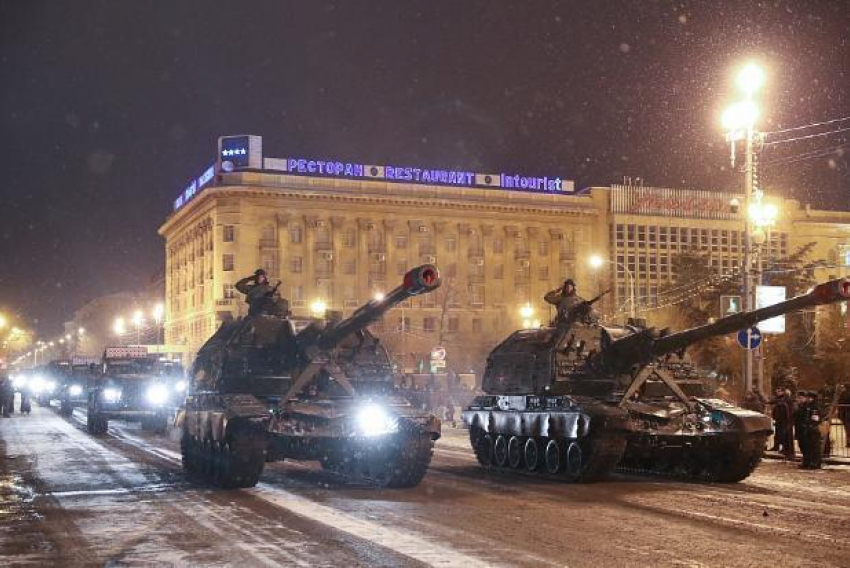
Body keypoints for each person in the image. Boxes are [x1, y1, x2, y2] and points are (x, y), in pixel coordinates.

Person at [770, 386, 795, 459]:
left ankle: (787, 450)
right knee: (779, 434)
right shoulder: (779, 399)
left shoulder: (786, 399)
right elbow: (774, 402)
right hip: (780, 419)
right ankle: (780, 447)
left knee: (785, 435)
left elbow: (787, 410)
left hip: (785, 420)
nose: (777, 393)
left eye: (779, 391)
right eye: (777, 391)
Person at [839, 384, 850, 449]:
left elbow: (840, 402)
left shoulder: (844, 393)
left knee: (848, 429)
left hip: (846, 414)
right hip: (846, 413)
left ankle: (848, 442)